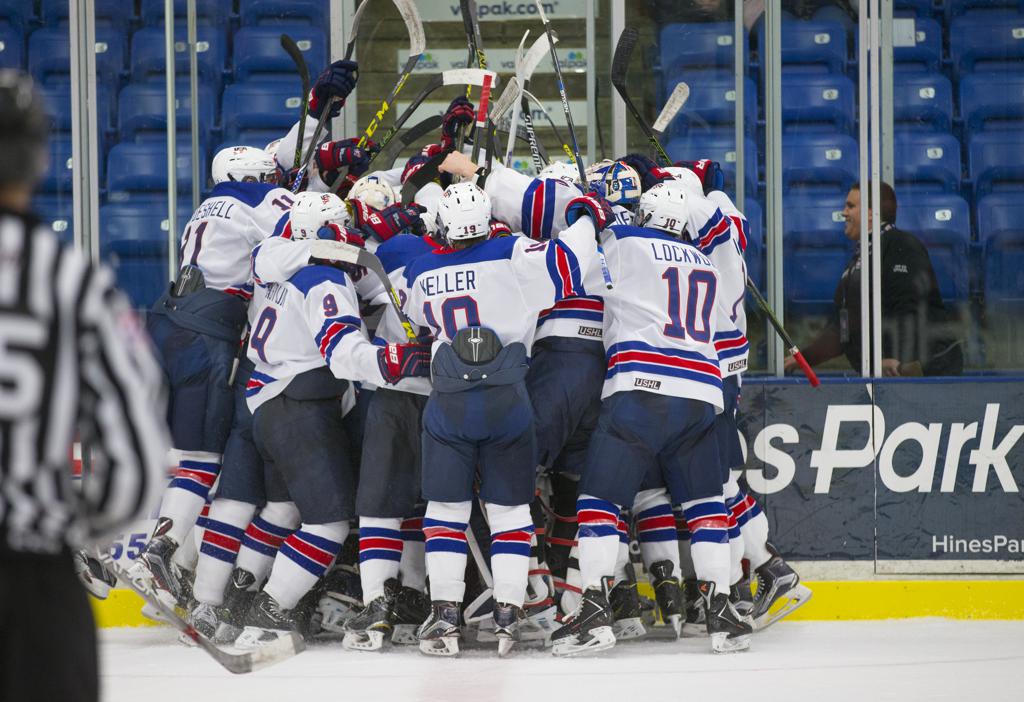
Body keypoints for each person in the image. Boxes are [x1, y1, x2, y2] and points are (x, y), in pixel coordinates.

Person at [0, 69, 169, 702]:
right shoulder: (72, 281)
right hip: (35, 581)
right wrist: (81, 528)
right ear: (39, 158)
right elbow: (136, 453)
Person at [401, 181, 605, 657]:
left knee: (446, 514)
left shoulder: (421, 270)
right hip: (509, 400)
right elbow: (569, 264)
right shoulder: (513, 252)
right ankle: (509, 615)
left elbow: (414, 316)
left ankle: (445, 618)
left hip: (449, 403)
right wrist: (586, 216)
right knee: (511, 514)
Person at [551, 181, 752, 657]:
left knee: (599, 501)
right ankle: (722, 611)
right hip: (703, 393)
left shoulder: (626, 242)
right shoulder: (703, 258)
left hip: (641, 390)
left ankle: (595, 608)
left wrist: (589, 214)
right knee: (707, 508)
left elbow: (570, 268)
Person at [785, 182, 963, 377]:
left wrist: (895, 359)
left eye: (850, 206)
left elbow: (909, 310)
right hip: (889, 377)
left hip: (923, 375)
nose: (844, 213)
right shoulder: (857, 261)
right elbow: (841, 331)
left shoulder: (900, 245)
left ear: (871, 213)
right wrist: (802, 359)